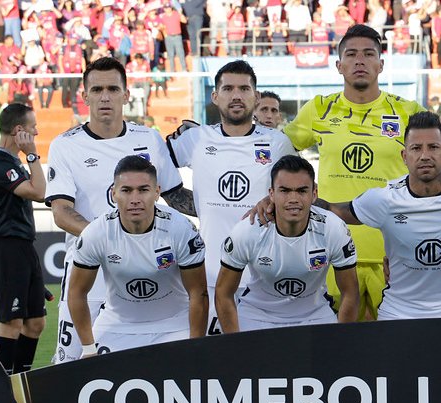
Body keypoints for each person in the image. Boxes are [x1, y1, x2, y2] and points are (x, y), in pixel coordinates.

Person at [46, 57, 194, 363]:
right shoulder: (65, 145)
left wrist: (229, 207)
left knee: (148, 365)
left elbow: (174, 196)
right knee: (71, 365)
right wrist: (113, 241)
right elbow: (61, 212)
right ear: (84, 95)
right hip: (89, 275)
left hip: (148, 270)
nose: (105, 96)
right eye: (97, 89)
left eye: (113, 88)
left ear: (126, 94)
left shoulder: (148, 138)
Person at [307, 112, 441, 319]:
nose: (425, 155)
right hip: (399, 313)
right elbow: (334, 210)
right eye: (416, 148)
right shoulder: (384, 200)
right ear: (404, 156)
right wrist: (284, 204)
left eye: (433, 147)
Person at [283, 24, 425, 320]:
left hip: (394, 253)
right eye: (351, 54)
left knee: (394, 354)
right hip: (331, 252)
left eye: (368, 54)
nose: (359, 61)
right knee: (338, 356)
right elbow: (276, 150)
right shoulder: (319, 109)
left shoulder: (409, 112)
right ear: (339, 65)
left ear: (381, 64)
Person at [167, 60, 295, 335]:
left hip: (264, 279)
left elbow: (296, 195)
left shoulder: (277, 142)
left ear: (256, 96)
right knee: (212, 364)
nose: (236, 95)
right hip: (210, 275)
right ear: (215, 96)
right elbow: (154, 169)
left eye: (244, 89)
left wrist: (273, 203)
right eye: (228, 88)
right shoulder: (196, 138)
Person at [67, 156, 207, 358]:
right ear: (114, 193)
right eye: (126, 190)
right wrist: (89, 349)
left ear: (157, 192)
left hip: (174, 325)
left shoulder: (180, 229)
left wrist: (195, 346)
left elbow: (198, 293)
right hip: (117, 325)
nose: (135, 199)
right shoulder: (96, 233)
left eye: (143, 190)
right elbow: (77, 293)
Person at [216, 155, 359, 331]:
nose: (293, 198)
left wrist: (342, 342)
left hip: (314, 315)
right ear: (271, 194)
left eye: (301, 191)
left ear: (314, 194)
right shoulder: (247, 231)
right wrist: (234, 345)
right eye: (284, 190)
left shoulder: (333, 228)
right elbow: (223, 293)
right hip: (257, 314)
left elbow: (350, 293)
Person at [0, 103, 47, 374]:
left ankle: (21, 381)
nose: (37, 131)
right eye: (33, 128)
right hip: (6, 248)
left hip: (22, 248)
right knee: (11, 323)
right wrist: (33, 156)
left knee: (36, 323)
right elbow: (39, 192)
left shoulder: (10, 162)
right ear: (19, 131)